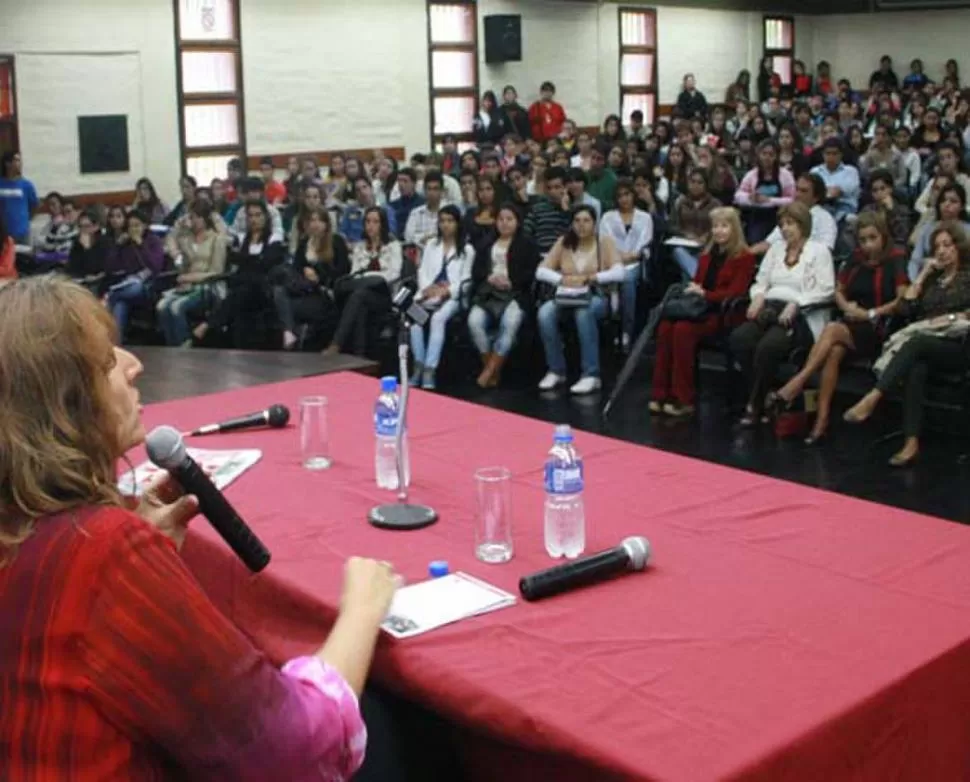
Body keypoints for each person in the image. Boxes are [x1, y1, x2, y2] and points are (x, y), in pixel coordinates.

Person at [0, 275, 412, 781]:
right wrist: (362, 610)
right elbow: (289, 751)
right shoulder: (104, 552)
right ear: (64, 407)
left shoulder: (36, 530)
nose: (133, 365)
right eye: (106, 362)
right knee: (385, 723)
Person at [770, 211, 906, 445]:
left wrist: (871, 313)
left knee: (832, 329)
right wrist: (847, 307)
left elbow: (902, 300)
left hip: (879, 327)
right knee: (833, 352)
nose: (867, 245)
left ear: (883, 236)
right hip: (851, 323)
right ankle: (821, 421)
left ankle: (797, 383)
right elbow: (839, 291)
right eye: (863, 240)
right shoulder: (855, 258)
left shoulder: (896, 258)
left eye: (872, 238)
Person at [845, 222, 970, 465]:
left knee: (917, 342)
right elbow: (904, 308)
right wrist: (923, 275)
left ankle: (873, 398)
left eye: (947, 245)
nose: (942, 251)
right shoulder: (932, 279)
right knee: (916, 367)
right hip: (927, 344)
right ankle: (911, 443)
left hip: (959, 344)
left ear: (959, 247)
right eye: (937, 247)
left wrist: (950, 319)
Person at [730, 201, 836, 427]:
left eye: (791, 224)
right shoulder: (776, 249)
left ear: (803, 225)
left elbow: (827, 290)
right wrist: (758, 296)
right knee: (740, 339)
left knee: (768, 347)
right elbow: (761, 281)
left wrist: (797, 303)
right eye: (782, 224)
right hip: (770, 307)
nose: (786, 229)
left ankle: (755, 404)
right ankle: (767, 393)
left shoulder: (819, 252)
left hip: (802, 315)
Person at [651, 207, 755, 417]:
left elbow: (736, 293)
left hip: (724, 314)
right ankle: (661, 393)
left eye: (724, 226)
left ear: (734, 229)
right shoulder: (707, 256)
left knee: (682, 330)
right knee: (666, 326)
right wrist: (695, 290)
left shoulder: (744, 257)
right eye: (715, 226)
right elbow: (698, 283)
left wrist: (705, 294)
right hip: (700, 309)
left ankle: (684, 399)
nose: (719, 231)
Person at [535, 205, 625, 395]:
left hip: (596, 295)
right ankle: (556, 370)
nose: (581, 225)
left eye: (586, 221)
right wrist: (561, 279)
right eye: (577, 221)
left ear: (594, 223)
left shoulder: (604, 242)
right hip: (566, 294)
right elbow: (541, 271)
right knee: (544, 313)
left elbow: (620, 272)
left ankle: (591, 374)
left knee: (584, 312)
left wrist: (592, 277)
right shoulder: (564, 242)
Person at [192, 202, 285, 348]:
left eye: (258, 215)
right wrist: (253, 260)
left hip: (263, 288)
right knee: (241, 291)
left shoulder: (273, 239)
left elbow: (266, 263)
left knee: (245, 287)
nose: (254, 219)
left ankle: (208, 324)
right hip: (242, 287)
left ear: (265, 217)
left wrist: (247, 260)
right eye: (250, 216)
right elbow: (236, 259)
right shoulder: (242, 239)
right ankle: (215, 331)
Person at [469, 204, 539, 388]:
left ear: (518, 222)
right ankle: (492, 370)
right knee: (474, 322)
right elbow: (476, 272)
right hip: (488, 292)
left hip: (516, 293)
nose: (504, 223)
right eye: (501, 219)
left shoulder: (527, 244)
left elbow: (531, 273)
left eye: (509, 219)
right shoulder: (486, 243)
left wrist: (511, 282)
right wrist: (489, 277)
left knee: (510, 323)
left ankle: (489, 372)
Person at [408, 206, 473, 390]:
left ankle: (430, 369)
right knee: (414, 318)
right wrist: (427, 289)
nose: (445, 225)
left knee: (437, 318)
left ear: (458, 223)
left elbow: (466, 280)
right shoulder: (431, 245)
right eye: (442, 221)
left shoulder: (467, 250)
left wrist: (446, 292)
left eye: (450, 221)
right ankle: (418, 365)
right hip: (428, 294)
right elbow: (422, 271)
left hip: (453, 298)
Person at [324, 207, 402, 357]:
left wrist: (369, 275)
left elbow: (393, 274)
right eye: (367, 221)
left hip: (385, 295)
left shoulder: (393, 246)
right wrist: (367, 278)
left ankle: (336, 344)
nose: (370, 226)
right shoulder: (360, 247)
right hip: (363, 293)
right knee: (360, 300)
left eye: (375, 222)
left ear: (383, 225)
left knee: (359, 295)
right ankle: (359, 355)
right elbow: (354, 275)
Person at [274, 207, 350, 351]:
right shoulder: (304, 243)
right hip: (302, 290)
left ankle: (289, 331)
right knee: (278, 291)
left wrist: (319, 276)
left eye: (319, 220)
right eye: (312, 220)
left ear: (326, 224)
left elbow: (343, 272)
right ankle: (289, 332)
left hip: (323, 295)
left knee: (284, 308)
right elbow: (295, 270)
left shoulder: (336, 241)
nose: (315, 224)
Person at [156, 202, 228, 347]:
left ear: (204, 219)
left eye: (195, 217)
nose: (192, 221)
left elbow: (217, 271)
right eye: (190, 217)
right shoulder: (187, 239)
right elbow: (181, 261)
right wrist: (180, 247)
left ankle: (185, 347)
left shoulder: (217, 239)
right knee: (162, 306)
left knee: (176, 307)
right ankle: (171, 347)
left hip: (208, 286)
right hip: (187, 285)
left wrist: (190, 277)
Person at [599, 180, 653, 349]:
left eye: (627, 194)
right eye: (620, 196)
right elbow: (604, 240)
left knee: (628, 279)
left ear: (633, 195)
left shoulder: (645, 217)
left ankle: (626, 331)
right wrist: (618, 257)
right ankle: (614, 324)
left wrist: (630, 256)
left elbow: (645, 243)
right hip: (612, 261)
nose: (624, 199)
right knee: (617, 277)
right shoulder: (608, 217)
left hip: (635, 263)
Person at [103, 210, 165, 341]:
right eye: (130, 226)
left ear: (145, 226)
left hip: (148, 286)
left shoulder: (153, 241)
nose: (133, 229)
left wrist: (141, 245)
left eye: (137, 225)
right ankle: (116, 342)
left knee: (133, 290)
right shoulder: (126, 243)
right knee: (120, 304)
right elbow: (110, 267)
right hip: (128, 284)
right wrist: (117, 246)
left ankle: (109, 297)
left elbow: (156, 267)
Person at [735, 140, 795, 245]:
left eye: (771, 154)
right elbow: (738, 196)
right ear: (759, 155)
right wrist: (750, 197)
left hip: (780, 216)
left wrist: (769, 200)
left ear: (776, 157)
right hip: (758, 217)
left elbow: (792, 199)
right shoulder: (752, 175)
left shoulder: (785, 175)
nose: (767, 157)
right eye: (764, 154)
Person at [908, 182, 970, 280]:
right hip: (930, 277)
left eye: (953, 201)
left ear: (962, 206)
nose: (947, 204)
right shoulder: (928, 229)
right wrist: (914, 281)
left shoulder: (968, 230)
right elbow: (915, 260)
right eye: (943, 200)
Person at [670, 169, 721, 279]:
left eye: (700, 182)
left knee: (687, 272)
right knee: (678, 252)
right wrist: (686, 234)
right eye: (692, 182)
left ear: (706, 185)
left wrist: (707, 236)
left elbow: (720, 225)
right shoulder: (680, 202)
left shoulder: (715, 204)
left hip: (708, 246)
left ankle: (696, 280)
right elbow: (672, 226)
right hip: (685, 246)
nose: (695, 186)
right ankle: (701, 278)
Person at [810, 138, 860, 224]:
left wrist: (827, 190)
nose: (831, 157)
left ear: (841, 155)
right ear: (823, 154)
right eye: (828, 153)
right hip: (821, 206)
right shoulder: (815, 171)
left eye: (834, 153)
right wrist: (829, 192)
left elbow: (840, 191)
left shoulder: (850, 171)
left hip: (844, 207)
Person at [524, 167, 572, 256]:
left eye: (557, 187)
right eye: (549, 188)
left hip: (565, 254)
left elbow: (575, 234)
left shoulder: (573, 209)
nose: (552, 192)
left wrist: (566, 210)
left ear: (566, 188)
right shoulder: (537, 209)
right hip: (540, 254)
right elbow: (526, 233)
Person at [915, 141, 970, 218]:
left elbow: (968, 207)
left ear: (957, 158)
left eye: (949, 157)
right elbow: (919, 204)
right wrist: (935, 214)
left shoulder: (966, 181)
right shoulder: (935, 180)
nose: (945, 162)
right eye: (942, 158)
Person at [860, 171, 911, 250]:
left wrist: (892, 212)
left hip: (895, 249)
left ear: (890, 189)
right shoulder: (867, 210)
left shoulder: (902, 210)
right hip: (871, 247)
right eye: (875, 190)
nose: (879, 193)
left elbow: (903, 235)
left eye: (883, 188)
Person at [0, 151, 38, 244]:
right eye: (16, 160)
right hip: (3, 234)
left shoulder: (26, 185)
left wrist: (24, 219)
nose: (20, 163)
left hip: (22, 233)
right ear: (7, 163)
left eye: (20, 160)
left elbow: (34, 206)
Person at [404, 170, 448, 249]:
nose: (432, 193)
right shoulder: (416, 213)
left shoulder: (449, 212)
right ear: (424, 190)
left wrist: (427, 238)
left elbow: (452, 236)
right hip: (420, 252)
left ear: (442, 191)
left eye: (435, 189)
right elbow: (408, 237)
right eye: (429, 189)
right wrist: (426, 238)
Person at [67, 209, 111, 280]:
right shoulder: (77, 242)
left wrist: (87, 249)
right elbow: (72, 267)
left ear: (96, 226)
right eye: (80, 226)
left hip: (100, 281)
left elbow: (96, 269)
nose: (83, 230)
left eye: (86, 226)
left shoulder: (105, 242)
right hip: (80, 280)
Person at [462, 176, 499, 250]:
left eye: (488, 189)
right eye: (481, 190)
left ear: (494, 191)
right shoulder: (470, 213)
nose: (485, 193)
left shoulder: (501, 213)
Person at [388, 168, 425, 236]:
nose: (401, 184)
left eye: (405, 181)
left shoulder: (422, 204)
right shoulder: (392, 205)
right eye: (399, 181)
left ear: (414, 183)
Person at [587, 144, 618, 211]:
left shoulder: (612, 180)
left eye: (599, 159)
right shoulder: (584, 176)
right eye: (593, 157)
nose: (595, 162)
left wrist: (597, 203)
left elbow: (614, 204)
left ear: (605, 161)